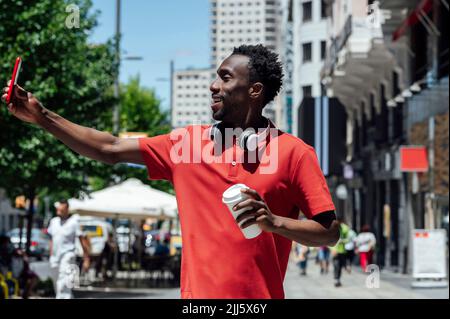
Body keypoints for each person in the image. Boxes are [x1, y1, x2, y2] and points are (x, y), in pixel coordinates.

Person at [2, 44, 339, 299]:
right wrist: (42, 116)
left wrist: (274, 223)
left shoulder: (295, 153)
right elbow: (109, 148)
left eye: (225, 77)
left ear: (255, 90)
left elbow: (329, 232)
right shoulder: (186, 145)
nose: (213, 86)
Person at [46, 199, 91, 299]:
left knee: (64, 279)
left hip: (68, 254)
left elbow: (82, 240)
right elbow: (52, 240)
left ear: (67, 209)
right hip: (55, 256)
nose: (58, 212)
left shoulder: (74, 222)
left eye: (61, 210)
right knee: (56, 280)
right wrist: (50, 254)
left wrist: (86, 259)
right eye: (58, 210)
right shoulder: (54, 222)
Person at [330, 218, 351, 287]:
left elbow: (349, 239)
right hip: (335, 251)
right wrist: (332, 249)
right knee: (336, 266)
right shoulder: (331, 228)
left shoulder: (345, 228)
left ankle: (338, 279)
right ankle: (336, 280)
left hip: (342, 251)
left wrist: (342, 241)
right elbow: (328, 240)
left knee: (340, 266)